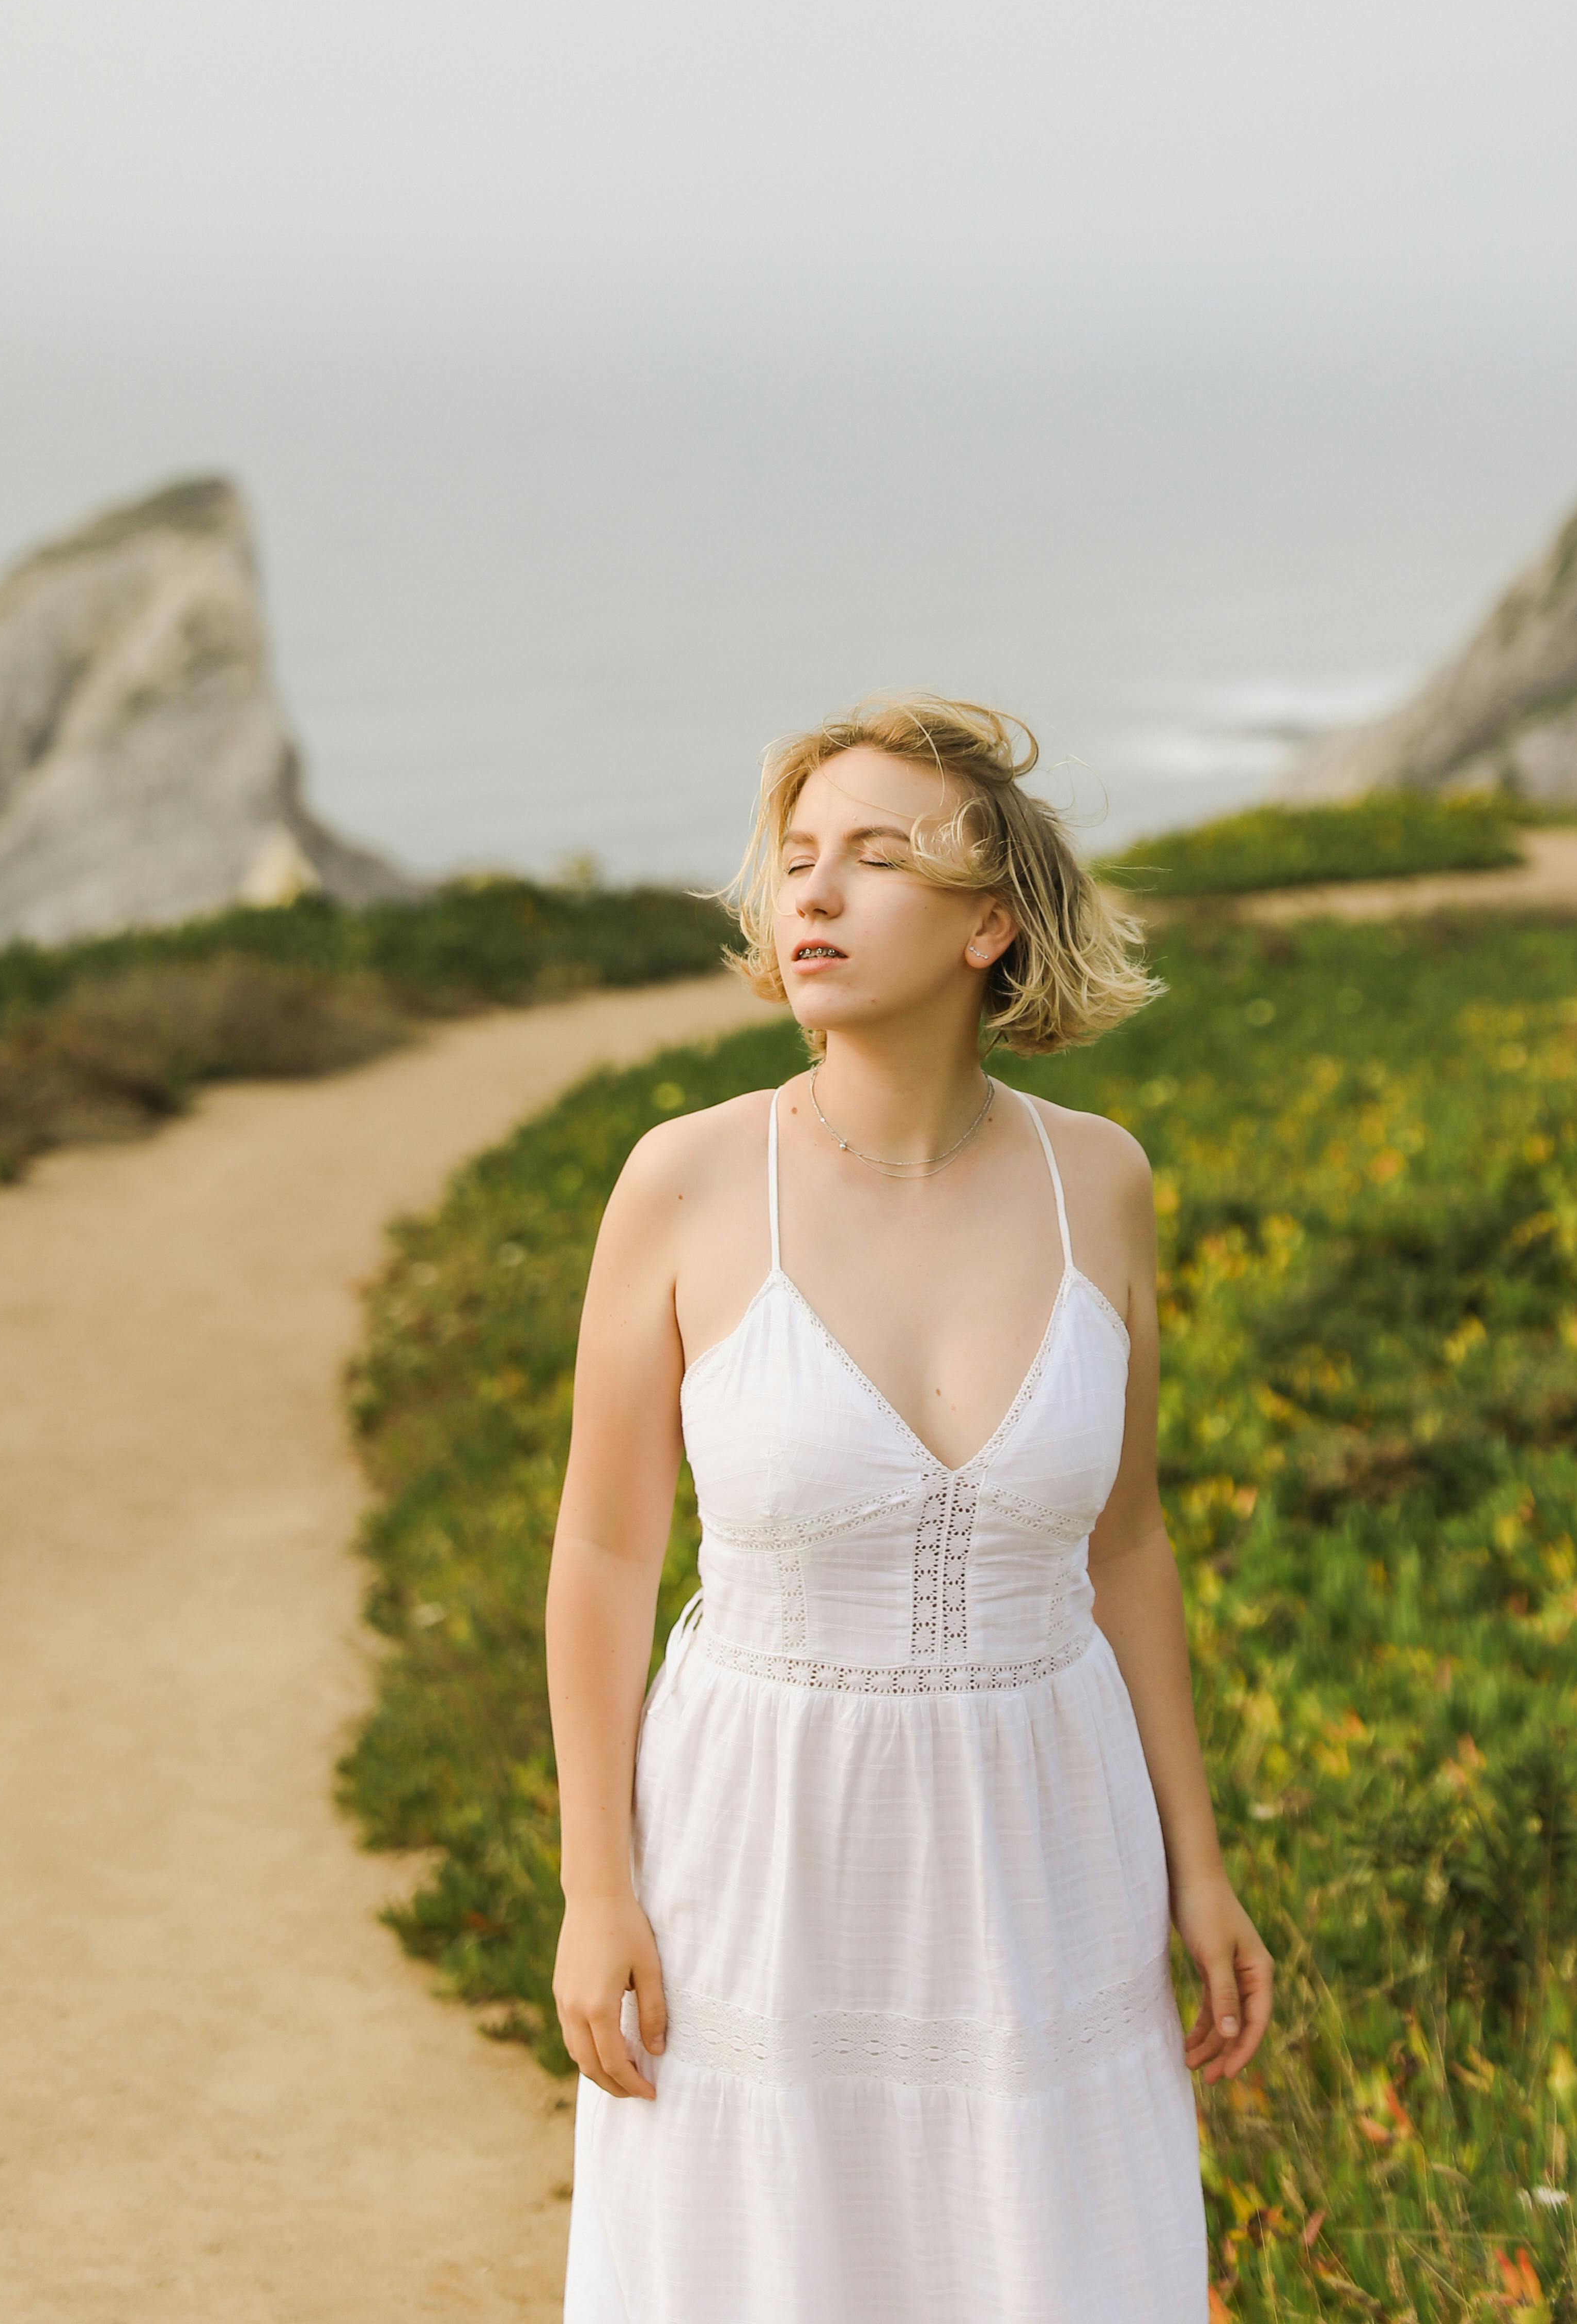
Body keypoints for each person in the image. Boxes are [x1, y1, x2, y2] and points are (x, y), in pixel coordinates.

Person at [546, 697, 1272, 2322]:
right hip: (757, 1844)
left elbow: (1128, 1544)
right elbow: (601, 1552)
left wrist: (1196, 1866)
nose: (808, 896)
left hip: (1044, 1844)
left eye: (875, 861)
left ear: (989, 924)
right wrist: (599, 1889)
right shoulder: (687, 1181)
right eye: (794, 862)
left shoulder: (1104, 1181)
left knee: (1041, 2265)